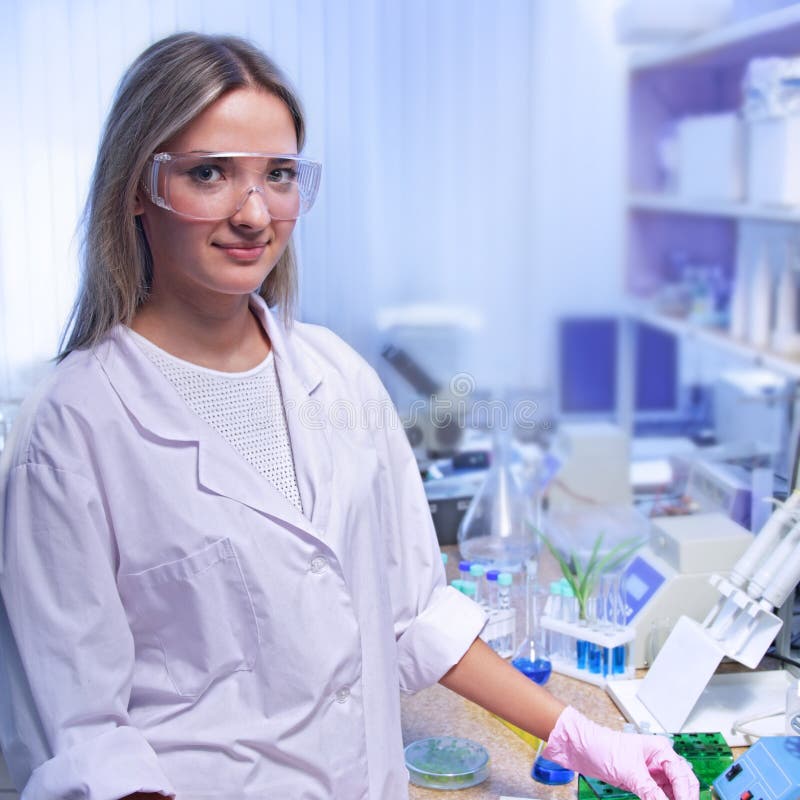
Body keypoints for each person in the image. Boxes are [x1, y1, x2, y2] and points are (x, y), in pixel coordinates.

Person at [0, 32, 699, 800]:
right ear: (140, 188)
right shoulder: (72, 426)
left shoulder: (337, 376)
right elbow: (85, 736)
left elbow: (416, 617)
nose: (254, 213)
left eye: (279, 175)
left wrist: (585, 738)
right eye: (210, 174)